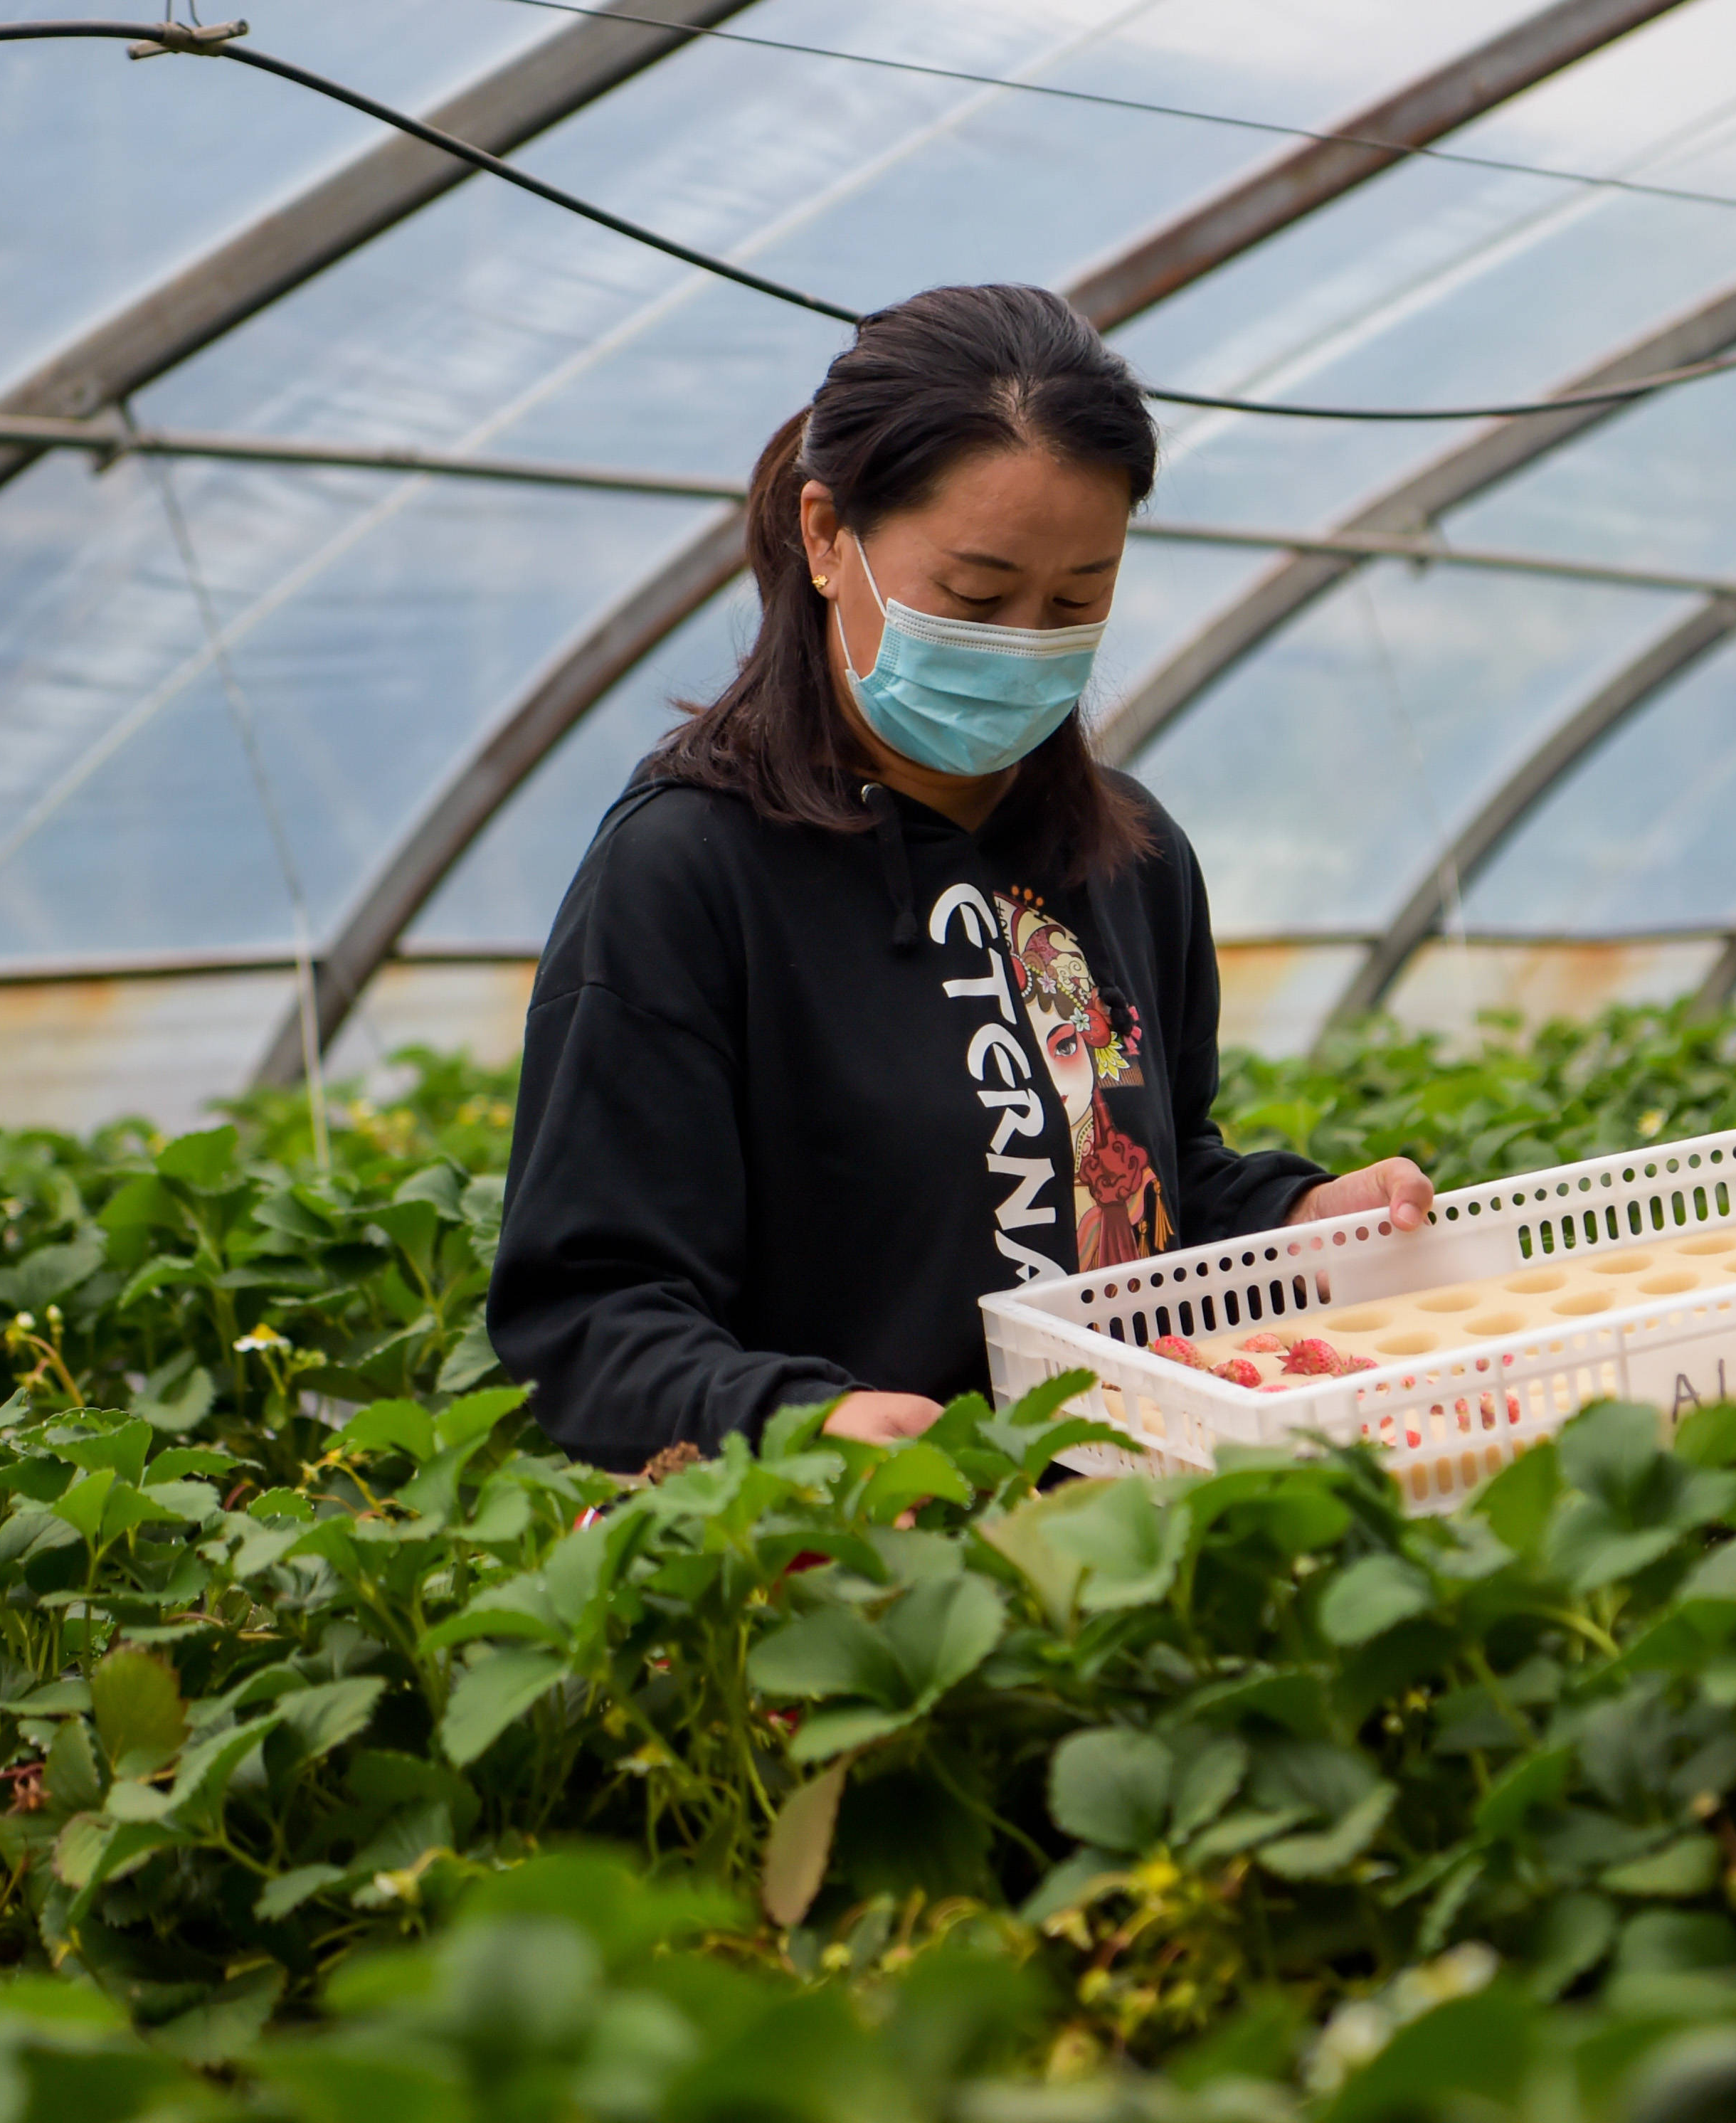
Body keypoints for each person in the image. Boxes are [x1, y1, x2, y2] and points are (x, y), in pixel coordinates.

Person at [488, 285, 1431, 1471]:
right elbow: (584, 1318)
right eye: (977, 596)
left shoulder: (1129, 859)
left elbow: (1144, 1180)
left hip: (1141, 1543)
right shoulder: (690, 874)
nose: (1025, 642)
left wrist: (1294, 1221)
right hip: (856, 1586)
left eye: (1074, 600)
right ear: (828, 536)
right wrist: (803, 1421)